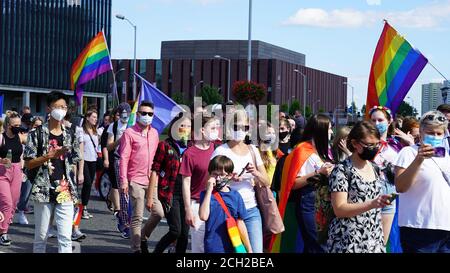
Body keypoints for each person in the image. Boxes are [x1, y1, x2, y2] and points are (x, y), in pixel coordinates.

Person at [24, 91, 81, 253]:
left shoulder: (70, 134)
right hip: (43, 190)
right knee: (41, 237)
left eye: (64, 107)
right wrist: (48, 156)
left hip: (65, 190)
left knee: (65, 238)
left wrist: (75, 182)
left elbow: (75, 161)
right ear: (49, 108)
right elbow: (28, 164)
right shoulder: (36, 134)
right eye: (58, 107)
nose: (62, 110)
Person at [211, 108, 269, 253]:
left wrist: (255, 172)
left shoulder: (252, 150)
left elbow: (267, 181)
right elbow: (211, 181)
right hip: (227, 211)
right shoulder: (221, 151)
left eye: (245, 127)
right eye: (237, 126)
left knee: (255, 252)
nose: (241, 130)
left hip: (250, 210)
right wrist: (229, 179)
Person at [327, 121, 391, 253]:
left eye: (377, 144)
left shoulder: (375, 168)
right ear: (355, 143)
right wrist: (372, 204)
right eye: (369, 145)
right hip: (347, 241)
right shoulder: (342, 170)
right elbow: (339, 209)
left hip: (373, 240)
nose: (374, 148)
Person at [277, 114, 334, 253]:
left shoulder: (319, 149)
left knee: (313, 247)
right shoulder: (302, 150)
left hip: (320, 202)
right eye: (329, 129)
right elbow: (294, 183)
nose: (331, 132)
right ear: (320, 130)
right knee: (318, 247)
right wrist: (319, 172)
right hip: (308, 203)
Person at [394, 111, 450, 253]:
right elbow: (400, 186)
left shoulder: (446, 157)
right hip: (419, 228)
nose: (435, 136)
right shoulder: (408, 153)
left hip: (445, 228)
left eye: (439, 133)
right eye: (430, 132)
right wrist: (419, 159)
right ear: (421, 132)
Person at [118, 101, 159, 253]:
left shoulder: (154, 133)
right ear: (137, 114)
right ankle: (136, 248)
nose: (146, 116)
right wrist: (123, 181)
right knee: (138, 216)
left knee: (159, 213)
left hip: (152, 180)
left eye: (150, 114)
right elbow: (124, 158)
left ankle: (142, 237)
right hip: (135, 180)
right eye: (143, 113)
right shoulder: (129, 133)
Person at [150, 113, 191, 253]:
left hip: (187, 194)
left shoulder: (191, 148)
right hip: (170, 193)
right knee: (175, 231)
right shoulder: (164, 145)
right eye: (182, 126)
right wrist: (150, 196)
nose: (185, 129)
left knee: (185, 234)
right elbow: (155, 169)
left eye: (188, 126)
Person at [180, 115, 220, 253]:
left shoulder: (218, 149)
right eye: (213, 128)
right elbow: (186, 183)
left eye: (217, 127)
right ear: (202, 130)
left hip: (217, 203)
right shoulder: (189, 154)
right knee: (199, 247)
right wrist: (188, 210)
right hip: (197, 203)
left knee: (216, 244)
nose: (217, 131)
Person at [199, 155, 252, 253]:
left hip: (233, 245)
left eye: (222, 174)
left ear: (229, 175)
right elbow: (203, 216)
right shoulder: (206, 194)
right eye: (215, 174)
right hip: (213, 247)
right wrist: (209, 190)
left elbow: (240, 223)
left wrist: (249, 249)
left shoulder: (236, 196)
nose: (218, 178)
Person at [369, 106, 402, 244]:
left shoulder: (397, 145)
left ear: (389, 121)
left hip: (389, 194)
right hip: (367, 194)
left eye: (380, 120)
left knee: (381, 242)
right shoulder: (364, 144)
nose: (376, 124)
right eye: (373, 120)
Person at [0, 111, 27, 246]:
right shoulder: (1, 138)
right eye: (15, 125)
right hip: (2, 173)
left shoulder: (20, 136)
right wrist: (1, 160)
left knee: (14, 202)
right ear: (8, 125)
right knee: (7, 202)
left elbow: (32, 144)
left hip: (16, 171)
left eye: (19, 124)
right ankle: (3, 233)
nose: (18, 127)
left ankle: (4, 226)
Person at [107, 103, 132, 238]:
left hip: (133, 161)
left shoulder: (134, 124)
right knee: (124, 191)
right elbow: (109, 146)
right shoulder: (114, 126)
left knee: (134, 193)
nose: (124, 117)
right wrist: (119, 140)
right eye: (122, 114)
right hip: (119, 159)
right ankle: (124, 222)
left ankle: (132, 221)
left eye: (126, 114)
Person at [79, 109, 99, 219]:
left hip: (93, 160)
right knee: (86, 183)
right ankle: (83, 208)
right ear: (87, 117)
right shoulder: (81, 131)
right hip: (84, 160)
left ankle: (84, 206)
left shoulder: (96, 131)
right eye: (93, 117)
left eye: (96, 117)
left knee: (89, 184)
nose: (95, 119)